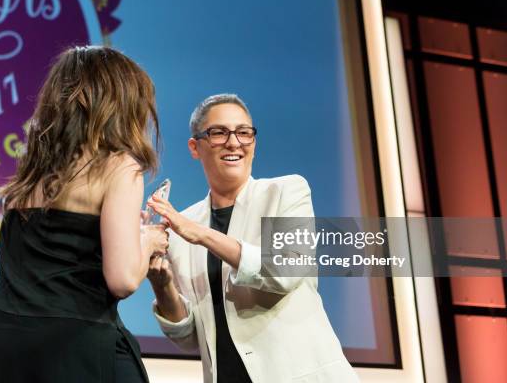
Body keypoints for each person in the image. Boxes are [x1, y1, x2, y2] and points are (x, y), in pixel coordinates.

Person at [0, 46, 169, 383]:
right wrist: (150, 240)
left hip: (7, 345)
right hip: (76, 346)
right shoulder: (119, 167)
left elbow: (55, 250)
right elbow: (123, 279)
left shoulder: (32, 172)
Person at [146, 94, 359, 383]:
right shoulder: (183, 227)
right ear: (195, 147)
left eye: (244, 133)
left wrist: (202, 234)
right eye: (219, 132)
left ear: (253, 144)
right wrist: (162, 284)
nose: (234, 142)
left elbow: (286, 272)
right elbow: (189, 337)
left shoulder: (285, 192)